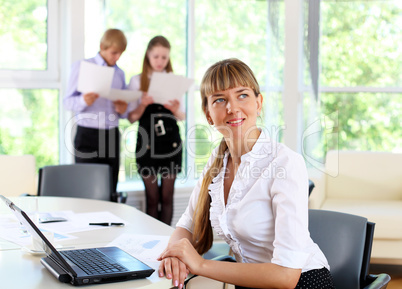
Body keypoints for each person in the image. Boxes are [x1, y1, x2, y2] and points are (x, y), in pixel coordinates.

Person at [157, 58, 335, 289]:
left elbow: (286, 275)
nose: (232, 107)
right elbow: (188, 224)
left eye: (242, 95)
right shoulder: (218, 160)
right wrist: (174, 254)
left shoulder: (285, 163)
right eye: (220, 99)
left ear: (258, 103)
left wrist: (200, 264)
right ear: (208, 114)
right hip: (251, 282)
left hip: (303, 283)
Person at [64, 28, 131, 202]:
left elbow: (123, 111)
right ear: (102, 46)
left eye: (120, 54)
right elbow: (67, 102)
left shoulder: (119, 74)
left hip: (111, 136)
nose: (116, 57)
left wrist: (123, 109)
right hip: (87, 135)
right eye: (114, 52)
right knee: (86, 190)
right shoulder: (82, 67)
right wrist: (84, 101)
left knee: (110, 189)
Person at [127, 36, 185, 225]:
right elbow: (131, 117)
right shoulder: (137, 81)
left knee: (167, 198)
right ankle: (151, 246)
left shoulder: (174, 81)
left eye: (164, 57)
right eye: (156, 56)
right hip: (147, 146)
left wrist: (175, 108)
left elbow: (182, 116)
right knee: (152, 199)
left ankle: (166, 245)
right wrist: (142, 104)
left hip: (171, 144)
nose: (160, 61)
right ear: (148, 56)